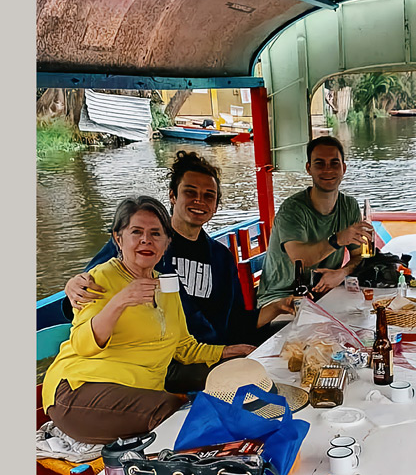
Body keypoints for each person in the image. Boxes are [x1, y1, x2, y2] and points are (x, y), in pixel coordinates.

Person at [42, 197, 253, 444]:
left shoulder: (167, 285)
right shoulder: (99, 279)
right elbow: (81, 345)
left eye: (156, 233)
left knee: (236, 373)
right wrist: (120, 302)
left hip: (139, 391)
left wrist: (230, 351)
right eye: (136, 232)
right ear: (118, 239)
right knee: (173, 408)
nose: (146, 240)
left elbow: (184, 347)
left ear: (166, 243)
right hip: (78, 391)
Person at [64, 151, 296, 353]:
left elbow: (235, 323)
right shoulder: (142, 246)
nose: (199, 201)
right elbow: (84, 292)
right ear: (173, 196)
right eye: (190, 192)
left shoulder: (220, 257)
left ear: (216, 206)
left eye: (208, 196)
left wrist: (276, 307)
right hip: (165, 356)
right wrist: (73, 286)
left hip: (217, 351)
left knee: (296, 336)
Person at [256, 135, 374, 305]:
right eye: (319, 164)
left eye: (334, 163)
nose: (328, 170)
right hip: (281, 298)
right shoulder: (293, 209)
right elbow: (300, 261)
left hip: (323, 295)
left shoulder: (349, 206)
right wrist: (338, 239)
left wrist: (342, 273)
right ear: (309, 168)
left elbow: (358, 256)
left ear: (344, 168)